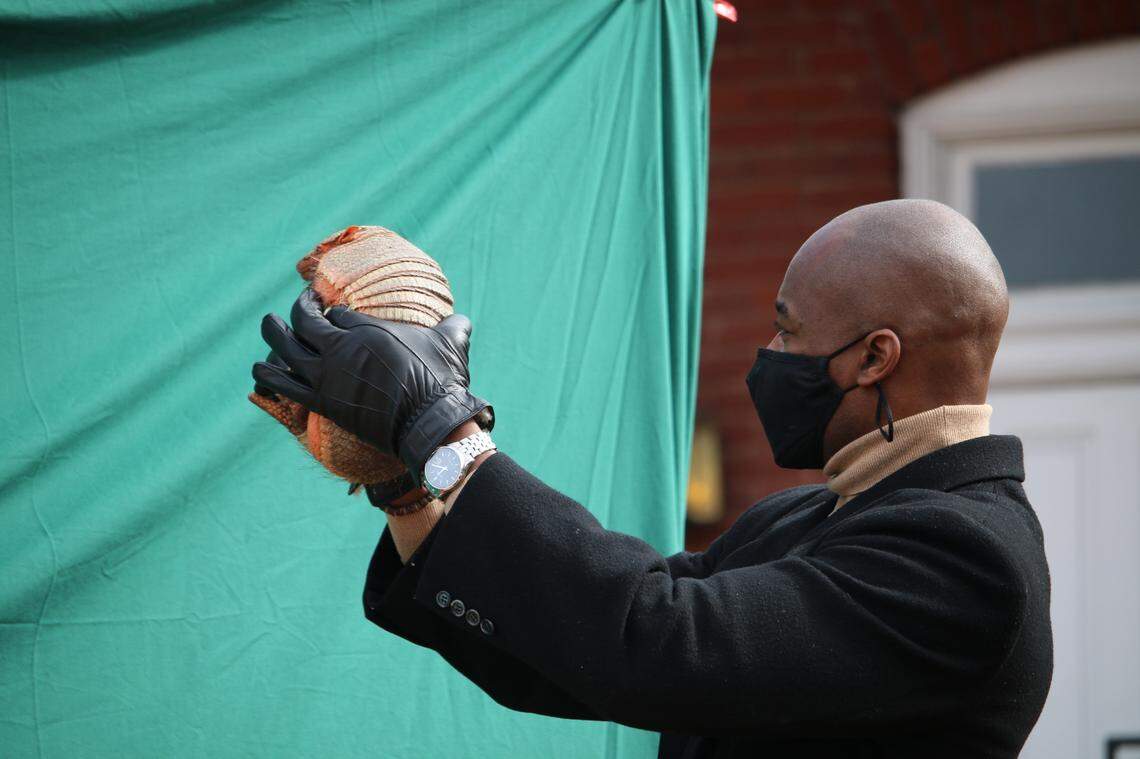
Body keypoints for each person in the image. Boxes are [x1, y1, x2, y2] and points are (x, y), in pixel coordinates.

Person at [252, 199, 1052, 758]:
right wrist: (405, 481)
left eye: (787, 330)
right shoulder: (807, 517)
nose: (770, 354)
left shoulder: (965, 556)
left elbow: (663, 640)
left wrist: (444, 427)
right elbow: (582, 651)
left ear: (875, 356)